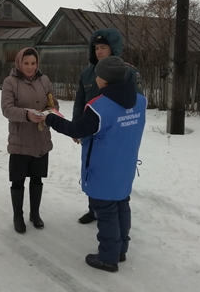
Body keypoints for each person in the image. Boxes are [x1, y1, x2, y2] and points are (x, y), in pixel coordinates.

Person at [43, 56, 146, 272]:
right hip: (125, 167)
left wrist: (51, 118)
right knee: (121, 205)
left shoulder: (100, 107)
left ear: (104, 80)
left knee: (106, 211)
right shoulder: (139, 101)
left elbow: (77, 130)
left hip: (103, 169)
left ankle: (108, 257)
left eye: (98, 75)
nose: (96, 78)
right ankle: (120, 249)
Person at [73, 28, 143, 224]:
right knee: (91, 169)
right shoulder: (88, 74)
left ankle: (114, 212)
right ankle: (93, 208)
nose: (99, 52)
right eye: (96, 48)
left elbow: (136, 105)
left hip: (114, 134)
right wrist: (76, 126)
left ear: (114, 48)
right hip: (90, 131)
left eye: (103, 47)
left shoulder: (128, 72)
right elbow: (80, 101)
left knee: (113, 171)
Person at [1, 47, 59, 234]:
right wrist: (27, 114)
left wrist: (50, 111)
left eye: (33, 63)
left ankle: (35, 213)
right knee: (18, 180)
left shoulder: (44, 80)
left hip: (41, 138)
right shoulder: (10, 82)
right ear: (19, 63)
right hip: (20, 139)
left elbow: (54, 103)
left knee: (37, 178)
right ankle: (18, 216)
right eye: (26, 63)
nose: (30, 67)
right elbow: (7, 109)